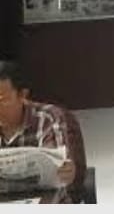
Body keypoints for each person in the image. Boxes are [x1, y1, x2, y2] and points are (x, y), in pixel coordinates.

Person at [0, 61, 86, 203]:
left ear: (22, 95)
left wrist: (67, 170)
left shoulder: (48, 118)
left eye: (2, 100)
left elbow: (59, 167)